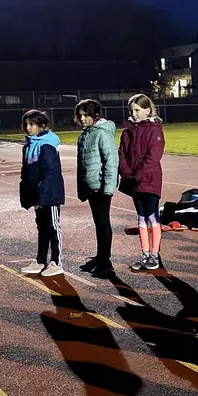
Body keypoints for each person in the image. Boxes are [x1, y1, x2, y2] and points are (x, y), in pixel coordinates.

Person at [118, 94, 166, 271]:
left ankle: (155, 255)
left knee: (152, 216)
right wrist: (127, 174)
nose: (134, 114)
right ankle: (145, 255)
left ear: (148, 110)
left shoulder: (155, 130)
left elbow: (153, 157)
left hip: (149, 181)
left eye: (137, 110)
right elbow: (121, 154)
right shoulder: (127, 132)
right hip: (134, 182)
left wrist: (136, 176)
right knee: (141, 217)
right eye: (132, 110)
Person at [19, 110, 66, 278]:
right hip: (37, 195)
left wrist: (42, 196)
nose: (28, 127)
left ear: (42, 126)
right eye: (26, 124)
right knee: (42, 228)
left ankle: (56, 262)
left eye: (32, 124)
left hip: (49, 195)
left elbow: (50, 173)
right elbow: (26, 173)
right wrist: (27, 195)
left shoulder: (47, 145)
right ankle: (40, 260)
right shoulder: (28, 146)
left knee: (53, 227)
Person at [74, 99, 118, 277]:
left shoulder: (103, 134)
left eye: (86, 115)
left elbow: (111, 162)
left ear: (95, 115)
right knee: (98, 223)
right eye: (80, 115)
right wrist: (82, 188)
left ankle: (105, 262)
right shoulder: (84, 136)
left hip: (101, 187)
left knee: (103, 222)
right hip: (91, 187)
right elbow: (81, 166)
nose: (82, 119)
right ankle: (100, 256)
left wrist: (108, 189)